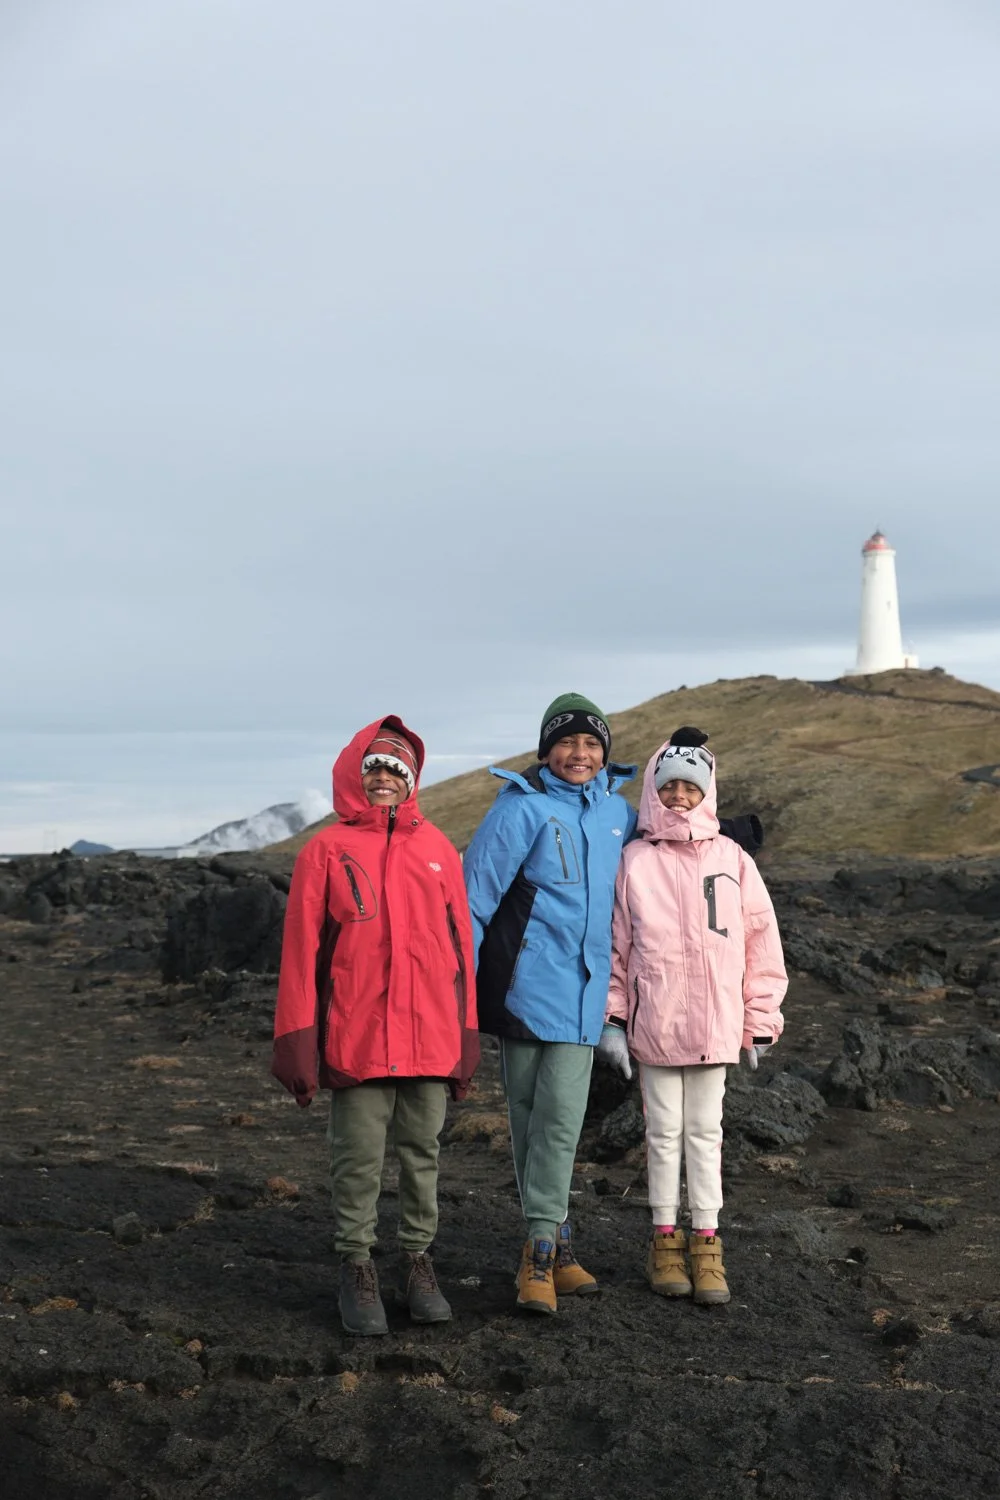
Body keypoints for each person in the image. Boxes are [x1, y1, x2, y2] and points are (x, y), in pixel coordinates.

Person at [272, 716, 479, 1337]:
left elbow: (461, 953)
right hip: (357, 1035)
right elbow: (301, 956)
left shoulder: (439, 850)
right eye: (375, 770)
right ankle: (356, 1266)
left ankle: (417, 1261)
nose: (385, 779)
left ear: (411, 780)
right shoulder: (325, 851)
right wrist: (297, 1046)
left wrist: (465, 1043)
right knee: (357, 1158)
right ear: (356, 778)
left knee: (423, 1154)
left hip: (431, 1036)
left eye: (396, 771)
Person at [597, 727, 787, 1306]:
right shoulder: (634, 860)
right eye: (669, 786)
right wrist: (613, 1020)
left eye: (690, 787)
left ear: (707, 793)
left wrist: (760, 1019)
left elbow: (760, 941)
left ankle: (706, 1241)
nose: (679, 796)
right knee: (662, 1136)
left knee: (706, 1134)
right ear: (654, 791)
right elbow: (615, 946)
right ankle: (664, 1241)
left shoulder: (733, 859)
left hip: (715, 1024)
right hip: (656, 1025)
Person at [463, 693, 638, 1315]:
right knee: (528, 1120)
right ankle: (556, 1245)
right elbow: (474, 901)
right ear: (546, 750)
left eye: (592, 744)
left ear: (605, 753)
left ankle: (537, 1252)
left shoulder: (619, 813)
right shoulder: (520, 811)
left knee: (560, 1119)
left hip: (584, 995)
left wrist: (728, 835)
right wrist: (459, 990)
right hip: (520, 989)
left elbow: (669, 840)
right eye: (567, 742)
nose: (580, 754)